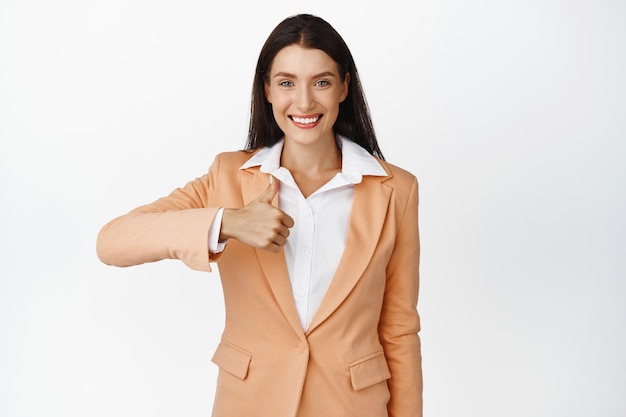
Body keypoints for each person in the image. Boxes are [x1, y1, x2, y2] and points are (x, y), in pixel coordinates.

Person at [97, 13, 422, 417]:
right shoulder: (229, 178)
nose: (304, 102)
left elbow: (399, 330)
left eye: (321, 82)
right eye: (286, 82)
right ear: (267, 89)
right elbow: (112, 242)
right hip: (250, 405)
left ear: (344, 87)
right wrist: (227, 222)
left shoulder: (396, 190)